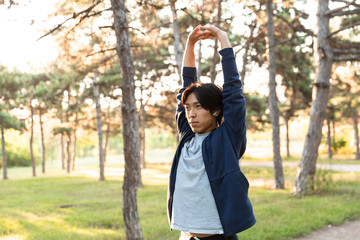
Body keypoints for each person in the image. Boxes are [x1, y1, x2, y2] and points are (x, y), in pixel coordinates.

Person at [167, 25, 256, 240]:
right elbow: (186, 85)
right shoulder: (187, 137)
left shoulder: (227, 138)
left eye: (198, 107)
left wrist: (223, 39)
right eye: (188, 108)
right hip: (186, 236)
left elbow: (233, 91)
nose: (191, 114)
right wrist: (189, 44)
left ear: (215, 110)